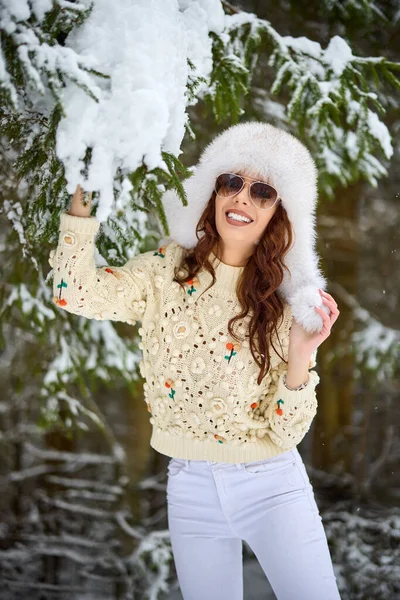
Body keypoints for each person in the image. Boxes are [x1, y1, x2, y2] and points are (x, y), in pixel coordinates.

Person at [48, 121, 341, 599]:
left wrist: (302, 355)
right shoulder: (165, 272)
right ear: (212, 190)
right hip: (189, 486)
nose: (242, 199)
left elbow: (286, 433)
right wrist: (84, 187)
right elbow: (72, 291)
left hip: (272, 488)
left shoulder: (287, 305)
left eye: (262, 191)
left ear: (279, 214)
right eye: (232, 183)